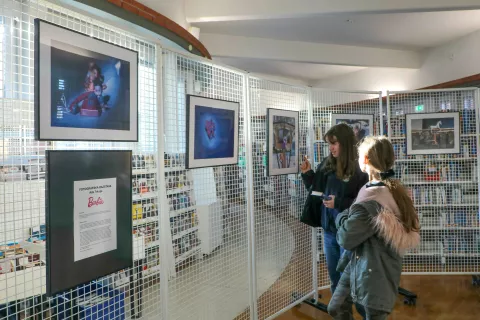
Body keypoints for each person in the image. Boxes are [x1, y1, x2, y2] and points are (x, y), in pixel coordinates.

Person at [327, 136, 421, 320]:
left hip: (372, 269)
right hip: (363, 262)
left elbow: (345, 238)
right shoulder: (389, 188)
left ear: (366, 159)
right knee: (336, 307)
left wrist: (341, 217)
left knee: (370, 313)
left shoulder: (373, 195)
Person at [300, 124, 368, 313]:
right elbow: (316, 190)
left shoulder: (360, 168)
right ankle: (342, 316)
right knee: (336, 280)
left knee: (355, 280)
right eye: (329, 144)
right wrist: (307, 174)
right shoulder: (326, 163)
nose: (331, 148)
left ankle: (366, 315)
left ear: (345, 143)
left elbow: (364, 202)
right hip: (329, 231)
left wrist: (339, 203)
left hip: (350, 234)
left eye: (334, 143)